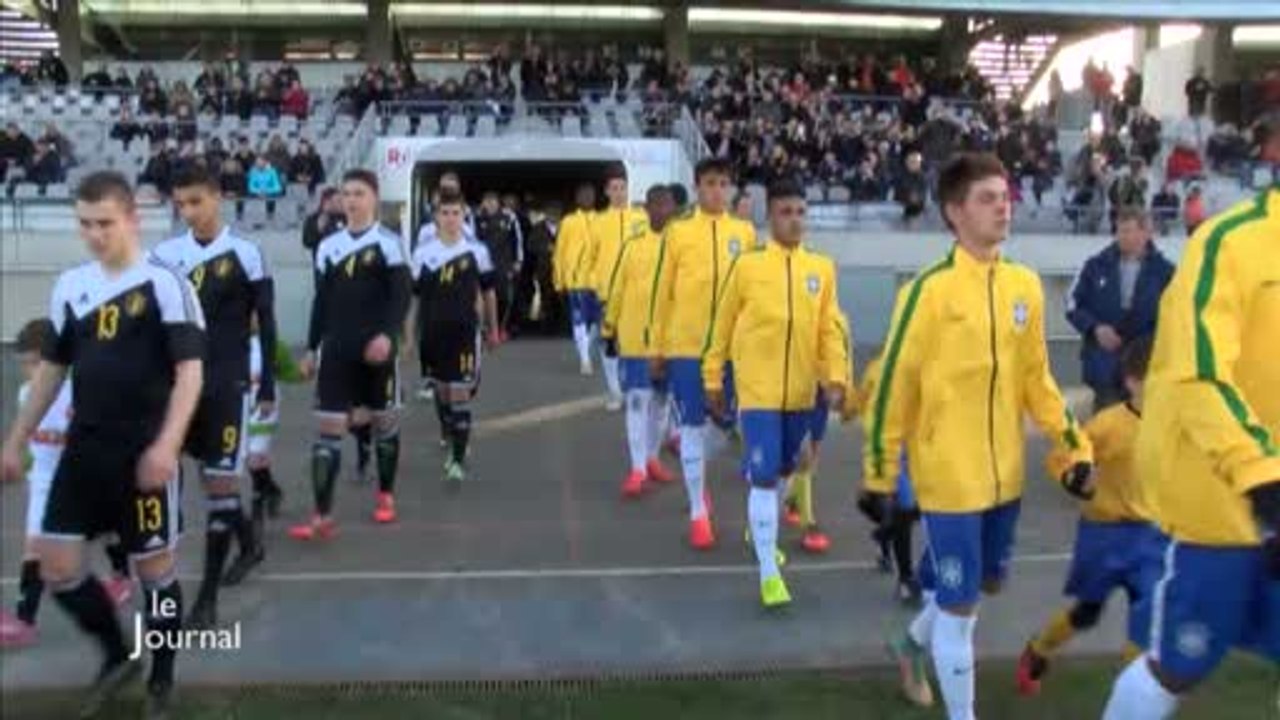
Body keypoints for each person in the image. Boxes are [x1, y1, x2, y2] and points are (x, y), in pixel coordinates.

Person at [860, 153, 1094, 717]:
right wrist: (880, 474)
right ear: (954, 212)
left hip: (1004, 480)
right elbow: (893, 386)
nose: (1002, 206)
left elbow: (1038, 380)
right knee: (961, 610)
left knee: (975, 591)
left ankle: (909, 645)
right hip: (948, 483)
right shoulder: (927, 292)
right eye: (987, 198)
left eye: (1005, 195)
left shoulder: (1024, 286)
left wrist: (1073, 452)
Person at [0, 171, 205, 718]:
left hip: (143, 453)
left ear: (132, 219)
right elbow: (53, 370)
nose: (93, 235)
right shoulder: (71, 286)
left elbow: (190, 374)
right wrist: (16, 438)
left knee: (155, 572)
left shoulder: (166, 284)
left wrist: (167, 446)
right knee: (57, 566)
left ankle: (161, 681)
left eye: (104, 224)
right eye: (84, 224)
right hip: (83, 448)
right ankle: (118, 657)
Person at [1100, 116, 1280, 720]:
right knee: (1177, 665)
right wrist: (1263, 481)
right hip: (1222, 507)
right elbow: (1199, 370)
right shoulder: (1229, 243)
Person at [702, 178, 846, 608]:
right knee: (764, 478)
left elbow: (829, 330)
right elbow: (722, 327)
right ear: (770, 218)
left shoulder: (820, 270)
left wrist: (836, 376)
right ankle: (769, 573)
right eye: (786, 212)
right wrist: (712, 378)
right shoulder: (746, 267)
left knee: (786, 471)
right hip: (758, 394)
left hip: (802, 395)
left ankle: (759, 531)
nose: (795, 220)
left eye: (801, 212)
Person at [150, 166, 278, 628]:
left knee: (220, 485)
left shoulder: (247, 254)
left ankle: (206, 599)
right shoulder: (164, 256)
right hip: (179, 386)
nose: (187, 212)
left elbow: (266, 318)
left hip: (228, 384)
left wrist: (267, 385)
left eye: (195, 202)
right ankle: (252, 543)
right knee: (205, 482)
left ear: (218, 198)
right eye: (179, 204)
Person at [1018, 338, 1160, 695]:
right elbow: (1063, 455)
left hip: (1150, 535)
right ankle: (1039, 649)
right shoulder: (1108, 425)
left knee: (1147, 611)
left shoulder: (1172, 424)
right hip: (1105, 533)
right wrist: (1075, 478)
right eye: (1154, 377)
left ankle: (1130, 692)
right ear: (1132, 381)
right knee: (1088, 612)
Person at [0, 320, 134, 648]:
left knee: (108, 532)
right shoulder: (25, 396)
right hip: (44, 481)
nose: (29, 373)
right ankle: (24, 620)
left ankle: (121, 577)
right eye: (24, 366)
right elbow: (35, 442)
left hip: (81, 476)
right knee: (34, 547)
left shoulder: (80, 392)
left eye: (34, 364)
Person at [294, 169, 411, 538]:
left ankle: (386, 495)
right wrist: (312, 348)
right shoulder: (329, 246)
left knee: (384, 423)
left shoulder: (390, 243)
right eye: (346, 193)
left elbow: (400, 297)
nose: (352, 200)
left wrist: (388, 336)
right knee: (327, 430)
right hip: (337, 348)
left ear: (374, 198)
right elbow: (322, 302)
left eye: (359, 193)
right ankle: (321, 515)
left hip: (376, 348)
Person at [649, 157, 757, 551]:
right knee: (692, 426)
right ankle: (697, 511)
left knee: (727, 427)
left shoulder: (744, 233)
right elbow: (663, 294)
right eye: (710, 183)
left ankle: (698, 472)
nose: (717, 190)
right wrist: (657, 346)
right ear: (697, 188)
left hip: (732, 350)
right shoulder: (678, 234)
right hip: (687, 348)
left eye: (724, 183)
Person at [411, 189, 500, 484]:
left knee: (461, 393)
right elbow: (414, 299)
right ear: (436, 217)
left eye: (456, 213)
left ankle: (457, 461)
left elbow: (489, 293)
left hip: (464, 332)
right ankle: (448, 431)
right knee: (442, 392)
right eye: (445, 213)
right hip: (432, 334)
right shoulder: (423, 254)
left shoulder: (477, 252)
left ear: (464, 216)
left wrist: (493, 329)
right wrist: (408, 335)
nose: (450, 219)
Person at [601, 184, 679, 498]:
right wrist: (609, 329)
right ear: (646, 209)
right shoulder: (632, 246)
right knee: (636, 402)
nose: (661, 210)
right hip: (635, 341)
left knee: (661, 406)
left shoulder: (682, 247)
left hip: (670, 344)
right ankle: (636, 469)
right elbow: (617, 288)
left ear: (673, 209)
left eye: (667, 205)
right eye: (656, 205)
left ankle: (651, 458)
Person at [1066, 206, 1174, 410]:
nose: (1120, 236)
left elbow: (1176, 317)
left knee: (1143, 432)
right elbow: (1072, 304)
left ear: (1145, 233)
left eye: (1127, 230)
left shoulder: (1166, 272)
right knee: (1107, 429)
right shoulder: (1094, 265)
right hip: (1104, 367)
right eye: (1118, 230)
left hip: (1146, 371)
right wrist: (1095, 328)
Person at [780, 307, 853, 556]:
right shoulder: (794, 311)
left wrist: (844, 390)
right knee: (802, 456)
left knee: (810, 456)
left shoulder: (839, 319)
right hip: (798, 391)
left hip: (823, 395)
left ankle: (792, 500)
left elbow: (844, 355)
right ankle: (808, 523)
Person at [224, 319, 288, 587]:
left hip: (263, 405)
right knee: (242, 461)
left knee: (253, 458)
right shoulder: (224, 340)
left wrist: (308, 368)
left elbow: (290, 371)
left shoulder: (272, 344)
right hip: (233, 406)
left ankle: (257, 517)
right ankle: (271, 489)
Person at [855, 356, 922, 606]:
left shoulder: (926, 365)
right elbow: (861, 400)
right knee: (894, 507)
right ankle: (905, 578)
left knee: (909, 510)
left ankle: (886, 536)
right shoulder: (877, 368)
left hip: (916, 449)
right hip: (887, 450)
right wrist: (847, 406)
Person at [589, 164, 649, 411]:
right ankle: (616, 392)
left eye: (622, 188)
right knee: (609, 344)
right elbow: (589, 260)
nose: (619, 193)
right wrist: (597, 285)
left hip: (638, 296)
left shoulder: (642, 218)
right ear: (606, 192)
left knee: (637, 344)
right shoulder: (598, 222)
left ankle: (636, 388)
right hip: (607, 295)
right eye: (614, 188)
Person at [553, 182, 600, 375]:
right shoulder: (568, 222)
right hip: (576, 280)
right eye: (584, 195)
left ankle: (587, 349)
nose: (588, 198)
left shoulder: (602, 220)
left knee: (597, 323)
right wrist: (558, 279)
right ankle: (585, 359)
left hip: (599, 281)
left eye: (591, 195)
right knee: (579, 320)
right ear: (577, 199)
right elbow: (559, 252)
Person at [474, 190, 524, 342]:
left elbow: (517, 240)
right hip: (483, 266)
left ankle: (501, 328)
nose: (490, 204)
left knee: (504, 297)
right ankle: (485, 329)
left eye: (493, 201)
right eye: (487, 201)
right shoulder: (476, 218)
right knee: (482, 298)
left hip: (503, 265)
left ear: (498, 203)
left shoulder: (509, 217)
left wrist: (518, 261)